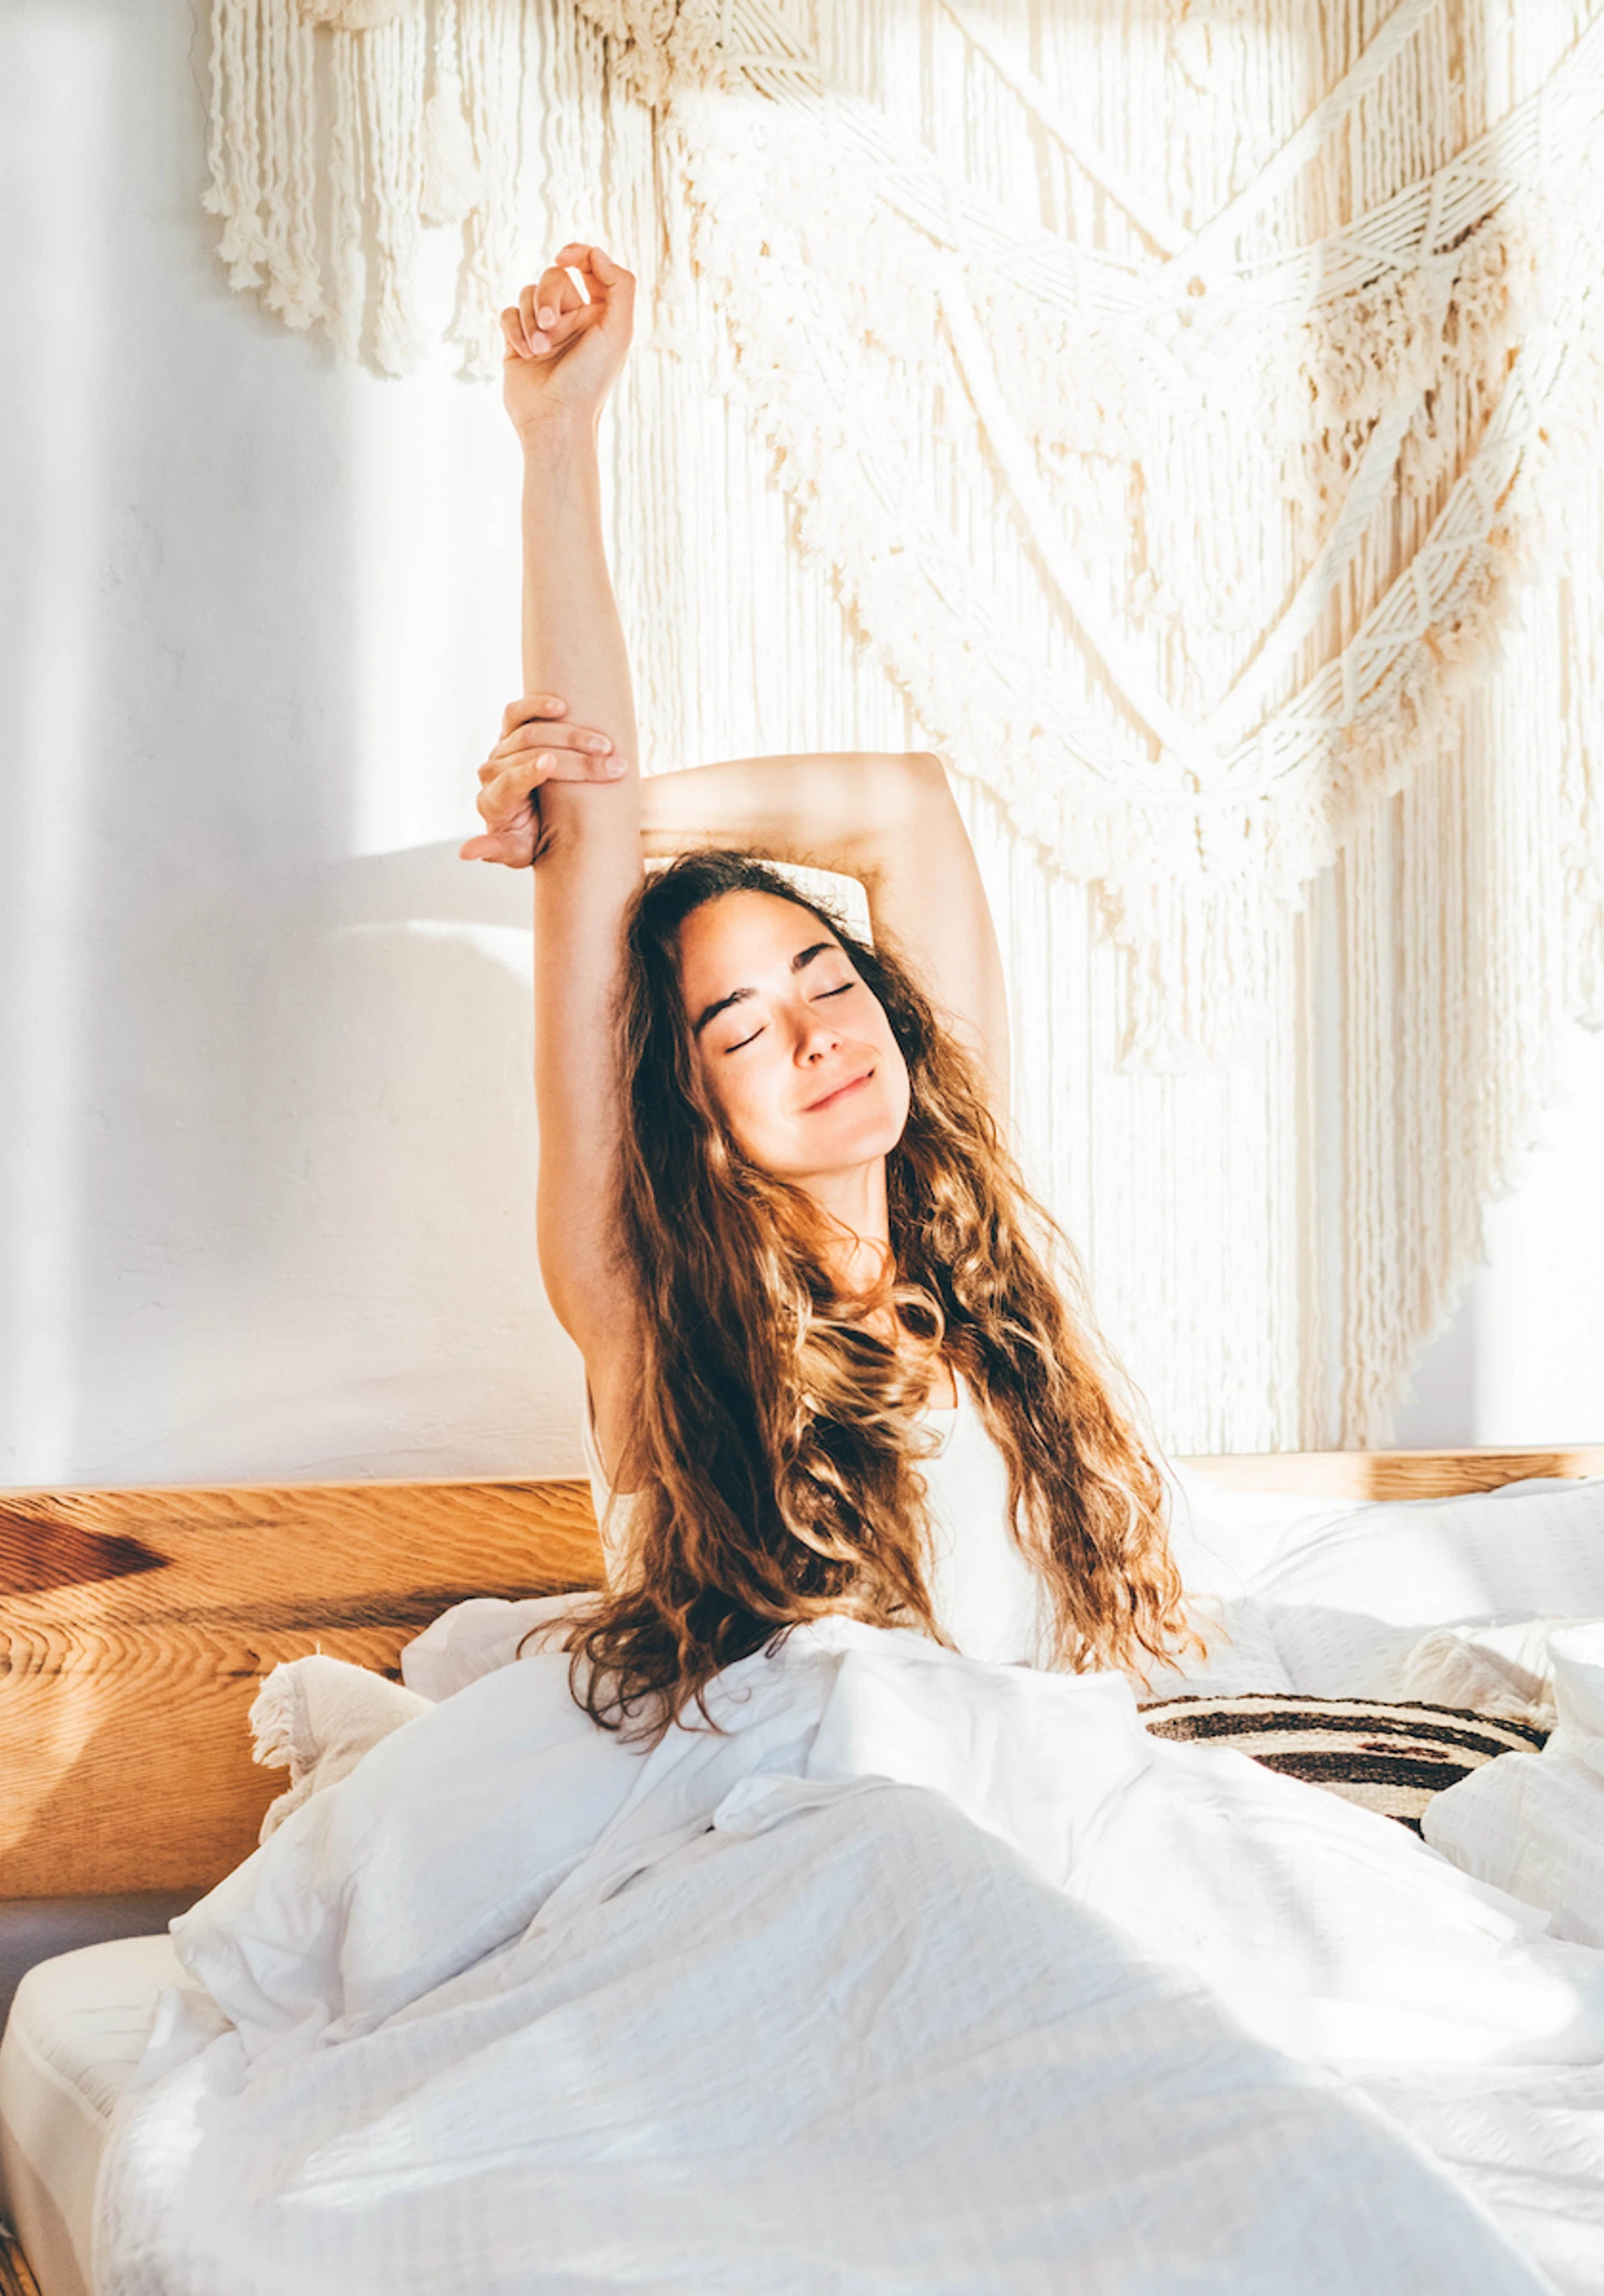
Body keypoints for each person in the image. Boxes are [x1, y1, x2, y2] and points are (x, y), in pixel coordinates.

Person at [457, 244, 1195, 1739]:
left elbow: (905, 809)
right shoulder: (648, 1310)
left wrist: (624, 816)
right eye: (738, 1027)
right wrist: (558, 439)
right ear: (695, 1110)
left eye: (824, 972)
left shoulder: (967, 1257)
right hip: (818, 1842)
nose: (814, 1028)